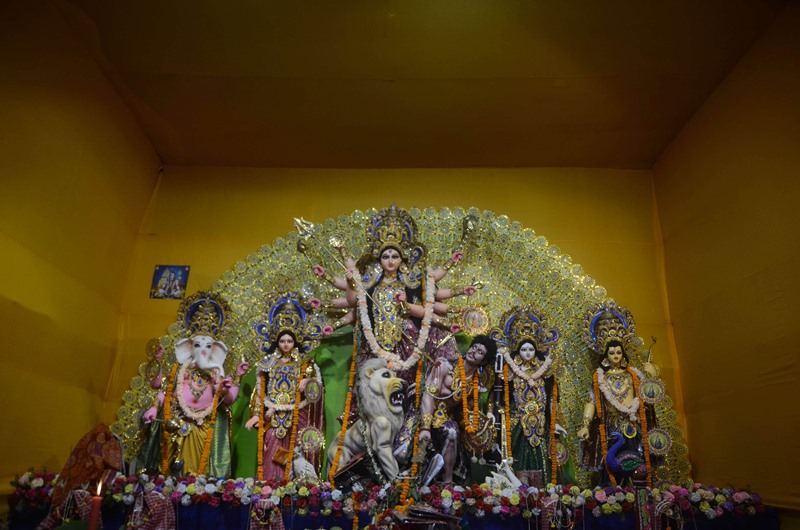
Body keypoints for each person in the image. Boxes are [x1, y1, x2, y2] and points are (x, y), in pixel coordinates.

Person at [138, 293, 249, 477]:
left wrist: (235, 379)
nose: (202, 351)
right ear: (188, 347)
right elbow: (161, 387)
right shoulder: (180, 371)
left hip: (204, 425)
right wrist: (153, 407)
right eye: (198, 346)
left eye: (207, 347)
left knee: (200, 470)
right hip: (178, 421)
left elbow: (228, 400)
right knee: (172, 468)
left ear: (215, 350)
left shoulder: (215, 373)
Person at [418, 335, 497, 484]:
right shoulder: (443, 366)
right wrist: (425, 427)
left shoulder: (475, 383)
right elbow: (428, 396)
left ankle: (448, 481)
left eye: (480, 351)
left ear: (484, 361)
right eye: (474, 347)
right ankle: (415, 477)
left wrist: (481, 425)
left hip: (445, 416)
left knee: (452, 433)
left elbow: (465, 412)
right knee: (405, 450)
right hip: (423, 411)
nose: (474, 351)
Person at [245, 330, 323, 481]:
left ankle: (293, 488)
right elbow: (260, 392)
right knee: (271, 444)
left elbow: (316, 390)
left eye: (289, 341)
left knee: (296, 450)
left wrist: (307, 381)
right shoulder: (269, 363)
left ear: (295, 343)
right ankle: (270, 485)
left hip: (296, 414)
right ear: (277, 343)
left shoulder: (304, 363)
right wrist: (256, 415)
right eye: (282, 341)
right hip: (273, 414)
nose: (286, 344)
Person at [577, 339, 657, 486]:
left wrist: (651, 376)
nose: (615, 355)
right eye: (612, 352)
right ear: (606, 356)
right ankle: (613, 499)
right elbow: (591, 401)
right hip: (611, 428)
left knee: (638, 463)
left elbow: (648, 396)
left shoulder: (633, 375)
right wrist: (585, 425)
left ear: (623, 355)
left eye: (619, 352)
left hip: (633, 424)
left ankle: (640, 496)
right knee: (612, 464)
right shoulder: (600, 377)